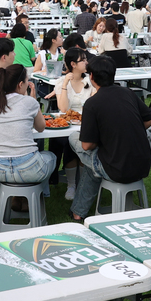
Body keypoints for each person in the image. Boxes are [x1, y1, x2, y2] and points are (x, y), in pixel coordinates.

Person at [70, 57, 151, 220]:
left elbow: (87, 145)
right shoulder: (128, 93)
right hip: (143, 164)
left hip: (116, 168)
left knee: (74, 138)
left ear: (92, 77)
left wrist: (105, 138)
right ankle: (77, 212)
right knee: (93, 164)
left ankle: (78, 212)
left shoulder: (92, 103)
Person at [0, 64, 56, 190]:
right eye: (27, 81)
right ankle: (38, 197)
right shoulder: (30, 102)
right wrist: (32, 101)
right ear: (20, 84)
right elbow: (41, 127)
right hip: (29, 168)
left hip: (0, 171)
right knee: (50, 156)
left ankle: (18, 198)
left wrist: (1, 127)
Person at [49, 48, 95, 200]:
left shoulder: (90, 80)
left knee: (81, 141)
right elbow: (63, 109)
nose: (87, 62)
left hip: (86, 123)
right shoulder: (61, 82)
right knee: (70, 142)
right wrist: (65, 83)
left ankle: (80, 184)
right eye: (83, 60)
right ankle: (71, 185)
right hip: (66, 125)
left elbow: (94, 104)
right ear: (73, 64)